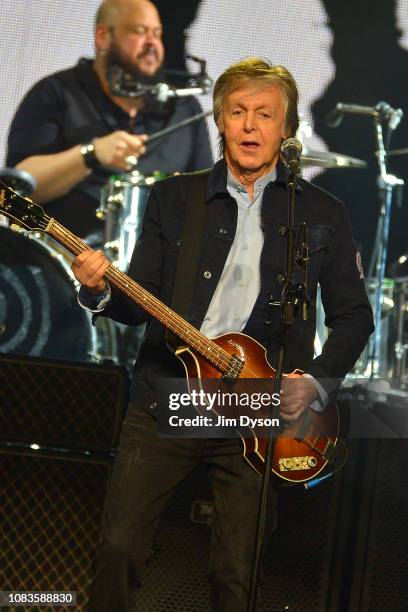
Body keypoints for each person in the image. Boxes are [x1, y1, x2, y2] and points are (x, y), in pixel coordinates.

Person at [71, 58, 374, 611]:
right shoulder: (173, 199)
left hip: (259, 408)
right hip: (170, 392)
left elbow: (355, 315)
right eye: (238, 112)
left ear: (286, 130)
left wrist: (318, 381)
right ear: (220, 121)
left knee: (238, 572)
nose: (251, 126)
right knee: (117, 548)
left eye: (265, 114)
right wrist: (97, 289)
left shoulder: (323, 212)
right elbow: (139, 301)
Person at [6, 0, 213, 239]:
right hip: (59, 263)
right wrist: (90, 155)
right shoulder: (55, 94)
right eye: (139, 31)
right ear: (103, 37)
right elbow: (16, 191)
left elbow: (204, 203)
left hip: (148, 271)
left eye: (157, 34)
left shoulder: (184, 109)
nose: (153, 44)